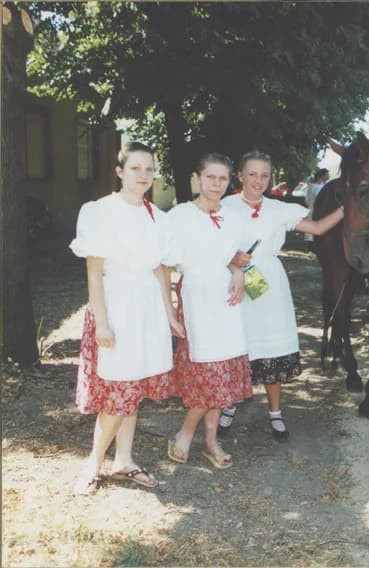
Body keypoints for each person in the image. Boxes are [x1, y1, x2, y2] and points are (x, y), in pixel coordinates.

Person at [70, 142, 183, 495]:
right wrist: (102, 321)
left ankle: (124, 460)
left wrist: (170, 315)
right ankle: (93, 461)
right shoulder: (99, 211)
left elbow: (162, 271)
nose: (144, 176)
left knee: (133, 389)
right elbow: (94, 271)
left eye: (149, 169)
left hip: (147, 309)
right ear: (120, 171)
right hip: (116, 305)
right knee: (120, 388)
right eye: (135, 168)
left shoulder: (160, 218)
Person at [218, 150, 344, 440]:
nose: (258, 180)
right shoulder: (225, 206)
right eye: (252, 174)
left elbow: (317, 227)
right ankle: (229, 406)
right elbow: (212, 243)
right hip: (235, 280)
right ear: (240, 175)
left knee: (272, 348)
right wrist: (229, 259)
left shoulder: (279, 209)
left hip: (270, 285)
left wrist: (345, 209)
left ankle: (275, 413)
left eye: (264, 175)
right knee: (237, 346)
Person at [165, 153, 253, 469]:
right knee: (208, 372)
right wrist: (169, 310)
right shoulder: (178, 216)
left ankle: (211, 441)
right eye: (210, 177)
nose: (217, 184)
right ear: (197, 179)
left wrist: (240, 274)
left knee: (223, 375)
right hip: (198, 297)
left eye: (223, 178)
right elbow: (164, 264)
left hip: (228, 302)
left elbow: (236, 259)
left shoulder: (232, 217)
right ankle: (187, 433)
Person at [303, 168, 330, 251]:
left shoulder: (325, 185)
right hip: (314, 208)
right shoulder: (313, 186)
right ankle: (311, 246)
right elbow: (308, 199)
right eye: (327, 174)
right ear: (323, 175)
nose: (328, 176)